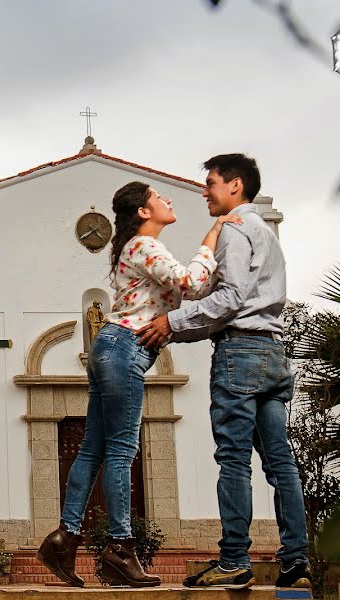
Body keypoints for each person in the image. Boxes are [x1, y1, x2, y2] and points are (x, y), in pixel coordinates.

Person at [38, 181, 240, 588]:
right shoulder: (147, 246)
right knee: (120, 449)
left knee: (94, 447)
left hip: (110, 345)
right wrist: (211, 237)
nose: (168, 200)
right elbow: (191, 285)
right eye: (159, 197)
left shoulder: (132, 247)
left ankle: (64, 539)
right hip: (124, 347)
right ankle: (119, 550)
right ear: (144, 211)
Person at [137, 154, 311, 590]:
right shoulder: (266, 233)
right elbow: (244, 302)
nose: (205, 191)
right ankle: (296, 558)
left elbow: (230, 300)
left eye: (211, 183)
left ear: (235, 186)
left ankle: (234, 559)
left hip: (241, 353)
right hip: (273, 353)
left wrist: (172, 323)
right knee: (280, 462)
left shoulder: (234, 230)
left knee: (233, 459)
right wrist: (179, 329)